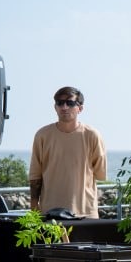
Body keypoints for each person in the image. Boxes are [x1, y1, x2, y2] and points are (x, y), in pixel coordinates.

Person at [28, 86, 107, 218]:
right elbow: (35, 176)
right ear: (55, 107)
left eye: (70, 103)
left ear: (80, 108)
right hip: (50, 213)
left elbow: (100, 174)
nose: (64, 107)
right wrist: (34, 211)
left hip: (85, 213)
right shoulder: (42, 135)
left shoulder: (92, 135)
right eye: (60, 103)